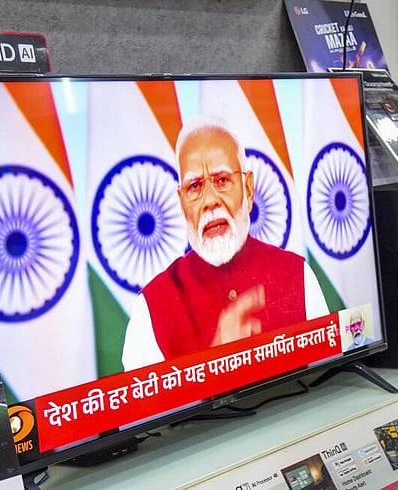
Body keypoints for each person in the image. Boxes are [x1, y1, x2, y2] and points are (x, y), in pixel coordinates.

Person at [122, 115, 328, 371]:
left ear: (248, 189)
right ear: (181, 203)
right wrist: (217, 360)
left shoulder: (298, 275)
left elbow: (327, 382)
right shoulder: (150, 310)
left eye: (222, 180)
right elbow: (148, 408)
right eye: (195, 186)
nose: (210, 201)